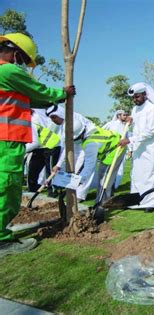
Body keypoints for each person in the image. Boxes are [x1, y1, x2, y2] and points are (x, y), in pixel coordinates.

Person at [0, 32, 75, 257]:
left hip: (7, 140)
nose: (20, 65)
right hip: (6, 139)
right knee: (7, 190)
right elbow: (38, 91)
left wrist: (54, 98)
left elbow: (34, 99)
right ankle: (1, 242)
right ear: (15, 53)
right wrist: (62, 93)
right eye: (21, 60)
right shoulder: (7, 70)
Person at [71, 117, 127, 224]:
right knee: (102, 179)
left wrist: (78, 181)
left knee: (106, 181)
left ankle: (104, 204)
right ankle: (100, 201)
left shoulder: (90, 144)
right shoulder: (89, 131)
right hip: (110, 149)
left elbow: (89, 166)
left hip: (116, 150)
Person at [122, 82, 154, 212]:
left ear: (145, 94)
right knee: (137, 174)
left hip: (151, 148)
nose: (135, 100)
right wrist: (130, 121)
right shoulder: (135, 109)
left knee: (151, 175)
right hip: (138, 149)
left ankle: (152, 202)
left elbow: (150, 131)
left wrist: (129, 140)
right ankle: (137, 201)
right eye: (133, 97)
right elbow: (136, 127)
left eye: (137, 97)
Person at [48, 106, 95, 201]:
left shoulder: (76, 121)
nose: (53, 120)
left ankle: (79, 195)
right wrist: (58, 165)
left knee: (82, 170)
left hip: (87, 145)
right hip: (76, 146)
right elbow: (66, 147)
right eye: (51, 118)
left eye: (54, 117)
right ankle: (72, 192)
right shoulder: (64, 127)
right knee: (73, 170)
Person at [26, 109, 61, 197]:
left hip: (52, 145)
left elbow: (35, 142)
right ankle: (32, 189)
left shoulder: (32, 121)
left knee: (50, 170)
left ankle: (52, 191)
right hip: (40, 147)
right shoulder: (32, 119)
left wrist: (21, 151)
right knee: (33, 168)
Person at [102, 109, 129, 189]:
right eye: (124, 115)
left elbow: (127, 138)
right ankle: (104, 187)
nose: (125, 116)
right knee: (107, 169)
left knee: (119, 169)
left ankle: (114, 186)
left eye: (126, 115)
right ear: (118, 116)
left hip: (122, 150)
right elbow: (102, 132)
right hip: (111, 150)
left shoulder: (125, 126)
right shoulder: (110, 124)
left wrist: (129, 150)